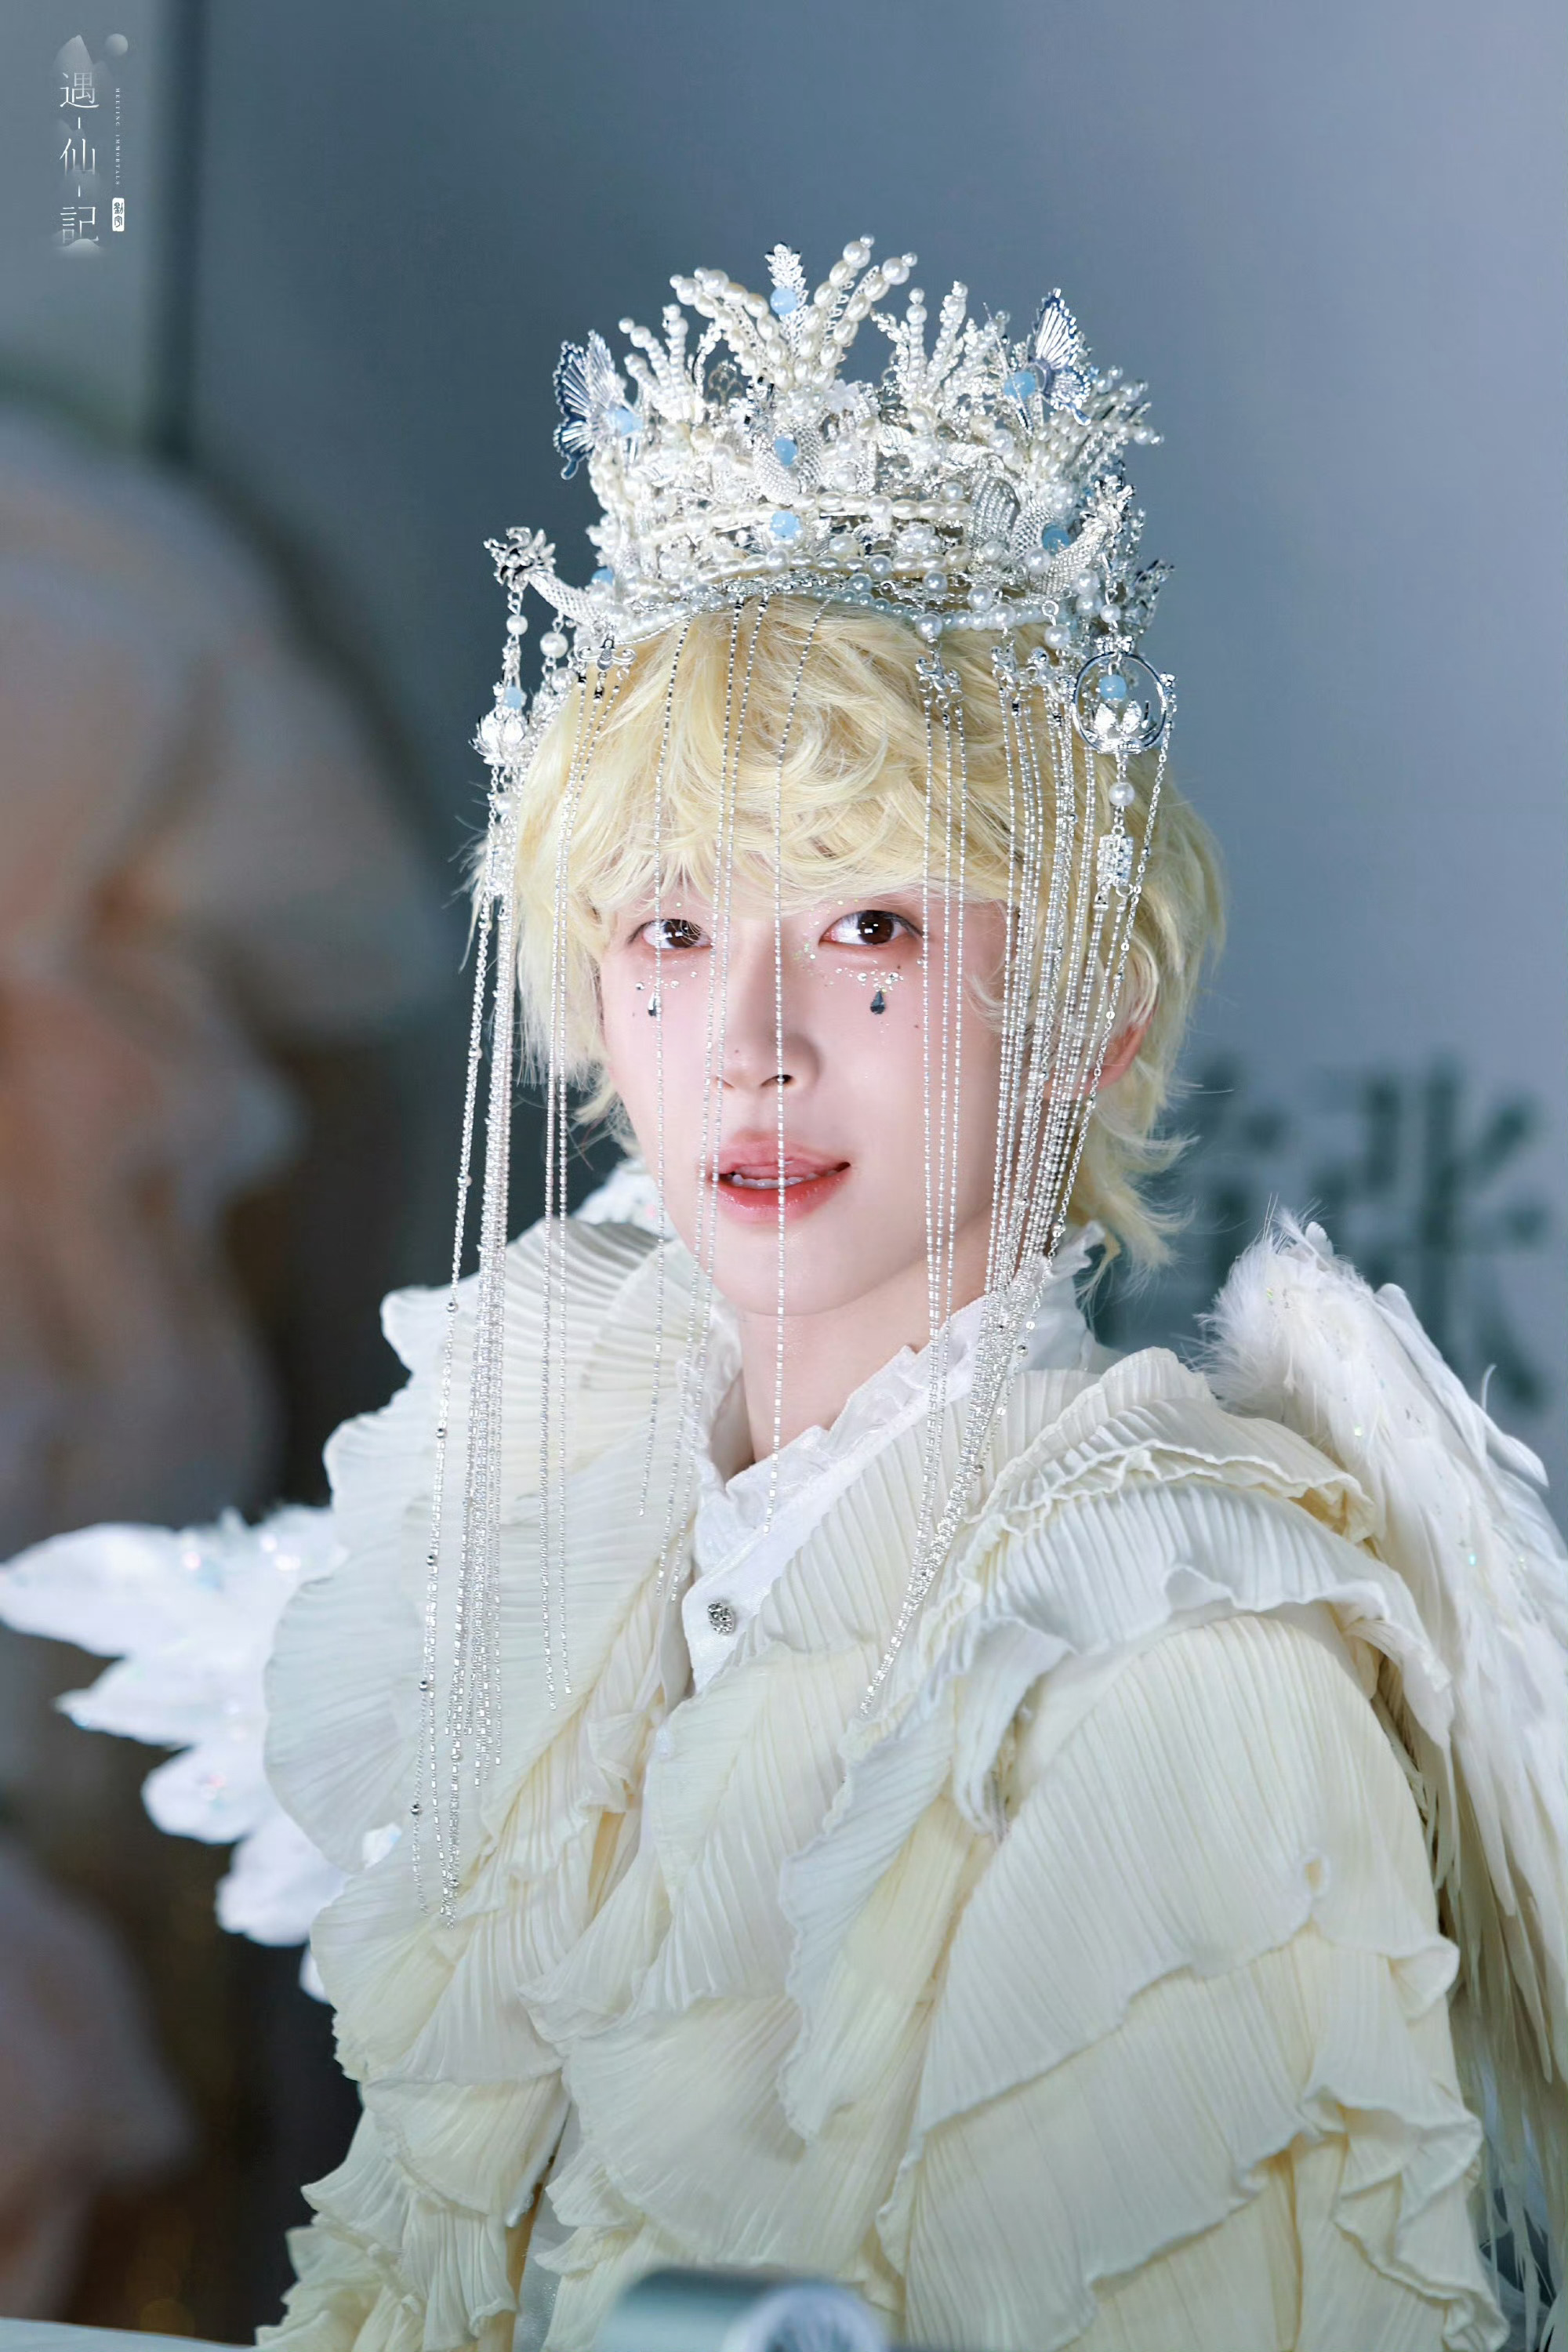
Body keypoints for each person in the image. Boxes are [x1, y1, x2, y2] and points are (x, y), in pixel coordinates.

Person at [3, 241, 1563, 2352]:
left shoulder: (1173, 1643)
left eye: (870, 929)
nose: (750, 1045)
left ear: (1093, 1014)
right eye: (670, 931)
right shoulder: (550, 1520)